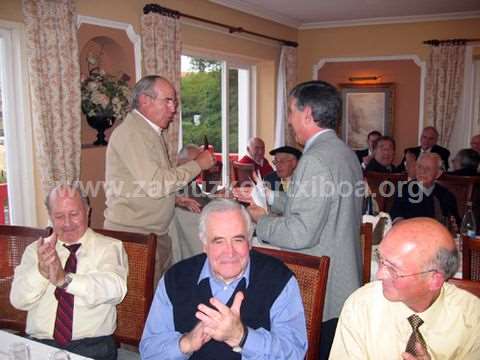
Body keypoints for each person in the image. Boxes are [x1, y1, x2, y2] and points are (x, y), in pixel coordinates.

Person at [235, 80, 363, 358]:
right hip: (343, 272)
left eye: (291, 112)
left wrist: (260, 219)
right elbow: (322, 205)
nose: (290, 121)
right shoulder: (344, 152)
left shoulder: (315, 159)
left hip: (323, 280)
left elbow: (299, 233)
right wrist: (268, 196)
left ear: (307, 113)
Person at [140, 199, 308, 359]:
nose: (229, 252)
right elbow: (149, 351)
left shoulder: (278, 279)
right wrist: (187, 343)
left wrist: (241, 336)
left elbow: (294, 352)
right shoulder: (175, 278)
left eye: (238, 239)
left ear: (249, 242)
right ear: (204, 244)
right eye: (218, 241)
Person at [104, 75, 215, 287]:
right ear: (145, 100)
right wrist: (198, 164)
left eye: (174, 102)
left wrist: (174, 199)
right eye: (168, 100)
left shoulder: (148, 133)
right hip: (135, 238)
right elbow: (156, 185)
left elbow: (141, 184)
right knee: (141, 313)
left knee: (156, 306)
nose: (174, 109)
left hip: (151, 235)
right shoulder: (133, 134)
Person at [330, 217, 480, 359]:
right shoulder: (361, 305)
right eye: (380, 260)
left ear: (434, 280)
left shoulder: (472, 320)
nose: (379, 274)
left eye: (393, 269)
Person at [10, 184, 128, 360]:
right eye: (59, 216)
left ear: (87, 211)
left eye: (74, 214)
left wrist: (65, 280)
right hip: (40, 345)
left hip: (92, 346)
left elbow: (115, 290)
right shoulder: (36, 251)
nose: (67, 224)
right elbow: (18, 301)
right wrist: (41, 273)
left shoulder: (109, 247)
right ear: (50, 216)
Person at [390, 153, 460, 225]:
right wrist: (399, 221)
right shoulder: (403, 189)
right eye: (420, 167)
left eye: (428, 169)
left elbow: (454, 223)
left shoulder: (447, 195)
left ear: (438, 173)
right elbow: (395, 213)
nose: (423, 172)